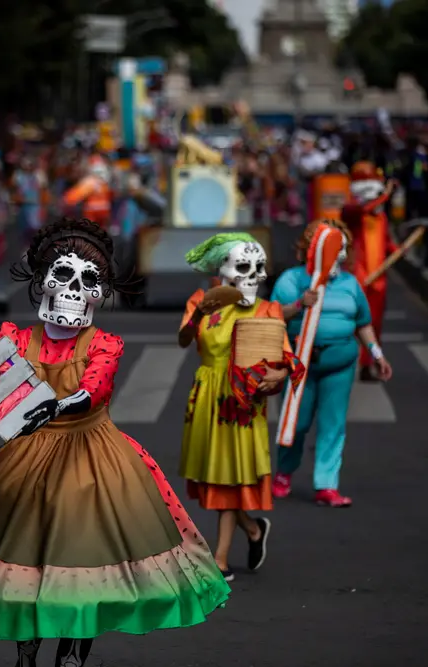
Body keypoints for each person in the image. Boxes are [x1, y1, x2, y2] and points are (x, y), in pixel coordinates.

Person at [0, 218, 230, 667]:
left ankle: (72, 656)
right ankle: (27, 653)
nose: (73, 289)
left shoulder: (105, 344)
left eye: (89, 280)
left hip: (94, 462)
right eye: (63, 274)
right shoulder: (13, 340)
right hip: (25, 464)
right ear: (43, 278)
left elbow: (94, 389)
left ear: (100, 292)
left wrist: (58, 406)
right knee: (25, 566)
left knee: (89, 566)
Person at [177, 233, 304, 580]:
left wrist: (279, 374)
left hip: (244, 403)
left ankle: (219, 559)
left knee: (229, 480)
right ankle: (252, 528)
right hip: (208, 397)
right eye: (244, 267)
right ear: (223, 271)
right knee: (215, 479)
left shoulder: (268, 310)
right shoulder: (201, 301)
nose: (255, 276)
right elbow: (184, 340)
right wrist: (197, 315)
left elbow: (288, 358)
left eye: (260, 268)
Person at [270, 220, 393, 507]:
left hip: (340, 364)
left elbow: (363, 323)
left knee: (332, 425)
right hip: (300, 365)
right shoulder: (291, 281)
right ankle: (284, 472)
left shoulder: (350, 284)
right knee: (297, 423)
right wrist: (299, 305)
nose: (340, 255)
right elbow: (273, 315)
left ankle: (326, 485)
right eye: (333, 248)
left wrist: (376, 354)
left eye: (343, 248)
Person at [341, 161, 397, 380]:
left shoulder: (381, 218)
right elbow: (363, 208)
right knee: (356, 324)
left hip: (379, 278)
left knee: (375, 324)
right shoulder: (351, 212)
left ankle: (368, 364)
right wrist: (386, 195)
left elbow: (387, 242)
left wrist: (398, 250)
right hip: (359, 277)